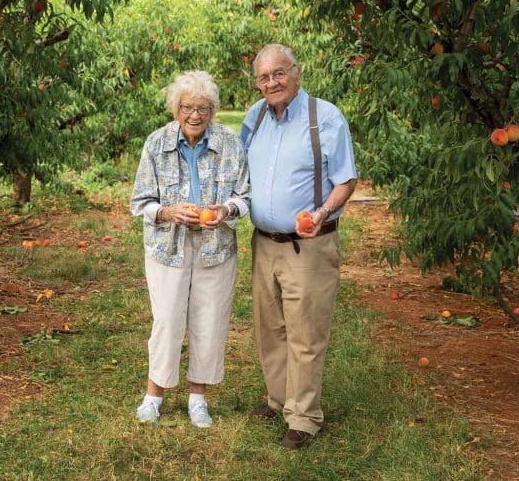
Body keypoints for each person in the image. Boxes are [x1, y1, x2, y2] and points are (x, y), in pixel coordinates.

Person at [240, 43, 357, 450]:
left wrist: (323, 211)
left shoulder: (324, 118)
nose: (272, 83)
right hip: (264, 244)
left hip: (308, 246)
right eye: (264, 77)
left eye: (279, 74)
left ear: (297, 73)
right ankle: (278, 401)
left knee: (306, 332)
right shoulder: (255, 118)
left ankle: (304, 418)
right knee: (270, 328)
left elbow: (346, 179)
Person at [130, 70, 250, 429]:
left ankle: (198, 397)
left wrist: (225, 210)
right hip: (168, 246)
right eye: (187, 107)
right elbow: (140, 202)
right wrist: (168, 212)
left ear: (213, 110)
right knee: (167, 319)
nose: (195, 115)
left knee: (210, 319)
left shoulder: (230, 143)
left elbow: (245, 197)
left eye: (203, 108)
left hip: (216, 246)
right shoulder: (156, 144)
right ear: (175, 108)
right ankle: (154, 395)